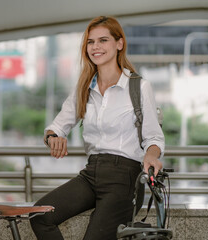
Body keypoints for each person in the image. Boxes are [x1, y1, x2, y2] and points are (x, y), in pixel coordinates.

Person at [30, 16, 164, 240]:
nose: (96, 47)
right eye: (91, 42)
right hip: (91, 173)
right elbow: (55, 127)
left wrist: (151, 156)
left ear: (119, 43)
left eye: (103, 40)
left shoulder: (139, 86)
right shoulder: (84, 87)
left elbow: (154, 138)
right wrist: (53, 137)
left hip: (124, 178)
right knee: (39, 216)